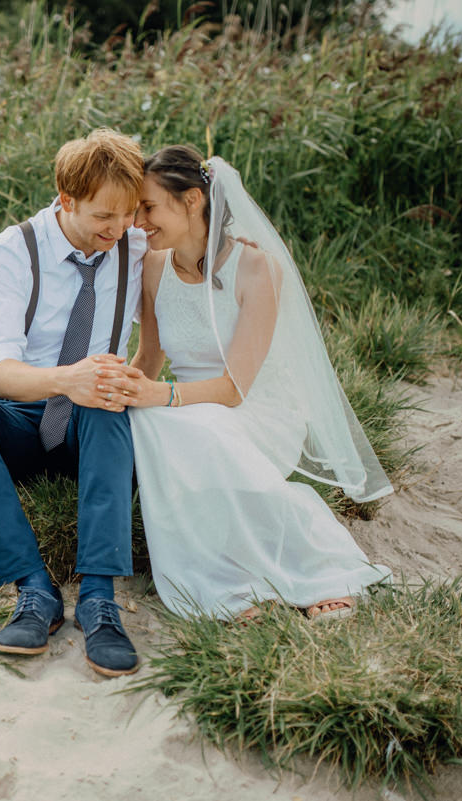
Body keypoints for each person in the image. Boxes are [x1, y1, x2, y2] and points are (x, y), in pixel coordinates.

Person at [98, 145, 391, 622]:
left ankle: (321, 570)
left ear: (192, 200)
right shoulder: (153, 266)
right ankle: (236, 584)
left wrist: (162, 396)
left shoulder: (257, 268)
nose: (138, 223)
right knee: (153, 424)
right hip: (189, 408)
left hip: (255, 408)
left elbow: (235, 389)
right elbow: (150, 357)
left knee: (195, 426)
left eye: (148, 208)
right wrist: (122, 388)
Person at [0, 129, 150, 676]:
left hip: (94, 429)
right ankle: (35, 590)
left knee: (104, 392)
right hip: (22, 422)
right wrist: (66, 379)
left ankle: (99, 598)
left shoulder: (139, 246)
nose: (118, 229)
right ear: (66, 197)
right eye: (105, 216)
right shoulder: (13, 251)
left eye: (127, 215)